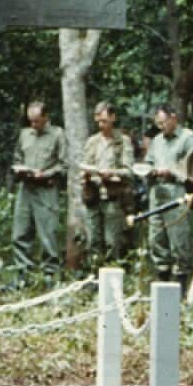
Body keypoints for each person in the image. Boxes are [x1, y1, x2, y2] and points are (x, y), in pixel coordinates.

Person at [11, 100, 68, 284]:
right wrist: (20, 169)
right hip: (26, 188)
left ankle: (50, 275)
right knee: (20, 232)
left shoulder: (58, 135)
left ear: (46, 117)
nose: (34, 125)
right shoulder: (25, 135)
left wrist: (46, 173)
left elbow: (64, 165)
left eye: (37, 121)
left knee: (48, 234)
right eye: (31, 121)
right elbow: (17, 157)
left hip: (46, 189)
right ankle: (22, 274)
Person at [144, 103, 193, 284]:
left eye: (163, 122)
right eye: (158, 124)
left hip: (177, 192)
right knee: (156, 237)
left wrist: (172, 171)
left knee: (179, 238)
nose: (161, 127)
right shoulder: (157, 141)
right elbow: (149, 160)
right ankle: (162, 281)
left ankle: (182, 284)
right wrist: (149, 169)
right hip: (157, 192)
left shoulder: (187, 138)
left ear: (173, 118)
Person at [81, 101, 134, 267]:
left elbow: (129, 170)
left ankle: (112, 277)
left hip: (113, 196)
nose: (101, 125)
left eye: (104, 121)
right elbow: (84, 164)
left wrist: (112, 173)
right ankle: (94, 276)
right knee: (93, 240)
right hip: (93, 196)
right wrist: (88, 174)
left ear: (113, 118)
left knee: (113, 241)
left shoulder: (123, 141)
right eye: (98, 121)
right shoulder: (92, 142)